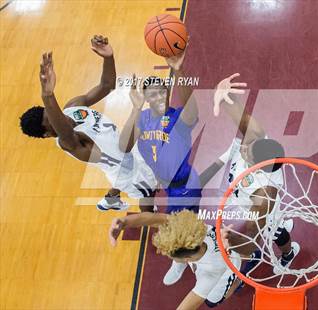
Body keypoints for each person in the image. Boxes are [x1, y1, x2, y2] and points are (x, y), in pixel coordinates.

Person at [19, 35, 156, 211]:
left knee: (127, 158)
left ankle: (111, 199)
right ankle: (154, 224)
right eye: (52, 120)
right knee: (148, 195)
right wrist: (47, 95)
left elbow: (106, 85)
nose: (58, 115)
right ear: (47, 133)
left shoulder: (73, 106)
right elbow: (66, 131)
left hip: (125, 151)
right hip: (127, 173)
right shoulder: (68, 142)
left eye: (52, 112)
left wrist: (108, 57)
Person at [119, 44, 202, 284]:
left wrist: (179, 70)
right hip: (167, 185)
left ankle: (183, 260)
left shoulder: (177, 117)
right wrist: (134, 109)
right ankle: (190, 251)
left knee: (175, 229)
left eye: (161, 92)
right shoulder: (143, 118)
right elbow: (124, 146)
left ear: (168, 93)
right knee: (180, 224)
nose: (157, 97)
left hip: (186, 187)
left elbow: (192, 109)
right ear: (145, 98)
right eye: (151, 94)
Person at [202, 73, 300, 271]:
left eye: (248, 151)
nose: (244, 146)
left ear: (259, 167)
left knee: (274, 232)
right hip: (243, 196)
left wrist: (229, 246)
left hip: (263, 211)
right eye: (249, 145)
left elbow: (252, 234)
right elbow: (242, 117)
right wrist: (223, 94)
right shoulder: (257, 140)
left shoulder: (265, 195)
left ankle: (289, 252)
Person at [109, 210, 242, 310]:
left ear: (187, 258)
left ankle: (238, 282)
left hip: (227, 270)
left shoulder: (211, 273)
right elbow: (152, 218)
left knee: (212, 301)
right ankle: (178, 266)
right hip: (210, 255)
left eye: (170, 256)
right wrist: (124, 222)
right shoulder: (192, 229)